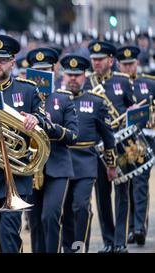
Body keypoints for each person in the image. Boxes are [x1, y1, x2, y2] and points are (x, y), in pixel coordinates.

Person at [0, 34, 49, 253]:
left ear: (12, 62)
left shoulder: (28, 89)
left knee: (8, 235)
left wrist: (35, 119)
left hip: (17, 174)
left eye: (2, 60)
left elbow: (45, 119)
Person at [60, 54, 117, 253]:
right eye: (69, 74)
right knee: (64, 210)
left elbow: (108, 136)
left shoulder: (95, 102)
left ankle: (79, 247)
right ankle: (67, 248)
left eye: (77, 75)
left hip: (86, 161)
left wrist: (111, 164)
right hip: (61, 162)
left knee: (81, 207)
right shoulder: (55, 99)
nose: (73, 78)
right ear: (63, 75)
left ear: (85, 76)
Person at [83, 40, 136, 253]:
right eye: (93, 60)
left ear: (111, 61)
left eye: (100, 59)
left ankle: (120, 241)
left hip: (121, 145)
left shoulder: (122, 81)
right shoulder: (86, 83)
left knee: (123, 193)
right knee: (102, 195)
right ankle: (108, 241)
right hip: (98, 148)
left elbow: (133, 112)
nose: (95, 63)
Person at [25, 47, 79, 253]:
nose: (42, 76)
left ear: (53, 71)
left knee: (50, 216)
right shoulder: (26, 98)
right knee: (35, 222)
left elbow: (74, 136)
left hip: (58, 166)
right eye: (38, 71)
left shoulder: (63, 99)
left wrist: (49, 127)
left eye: (46, 70)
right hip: (32, 167)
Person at [116, 45, 155, 246]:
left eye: (131, 64)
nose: (128, 68)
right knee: (127, 185)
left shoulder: (148, 83)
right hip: (121, 140)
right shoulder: (113, 85)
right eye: (124, 64)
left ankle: (138, 227)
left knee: (139, 182)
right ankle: (131, 227)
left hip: (142, 139)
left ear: (137, 64)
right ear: (118, 64)